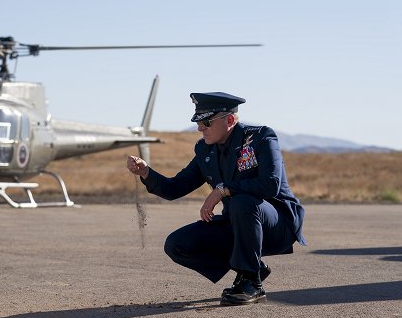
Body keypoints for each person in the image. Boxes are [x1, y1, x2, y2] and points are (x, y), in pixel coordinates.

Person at [126, 92, 306, 306]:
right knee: (177, 244)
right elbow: (175, 188)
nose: (200, 128)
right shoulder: (205, 149)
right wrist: (147, 172)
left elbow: (270, 184)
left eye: (206, 122)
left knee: (242, 201)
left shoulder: (260, 138)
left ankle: (251, 282)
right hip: (239, 224)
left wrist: (223, 190)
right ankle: (253, 266)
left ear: (229, 120)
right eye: (198, 122)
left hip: (277, 224)